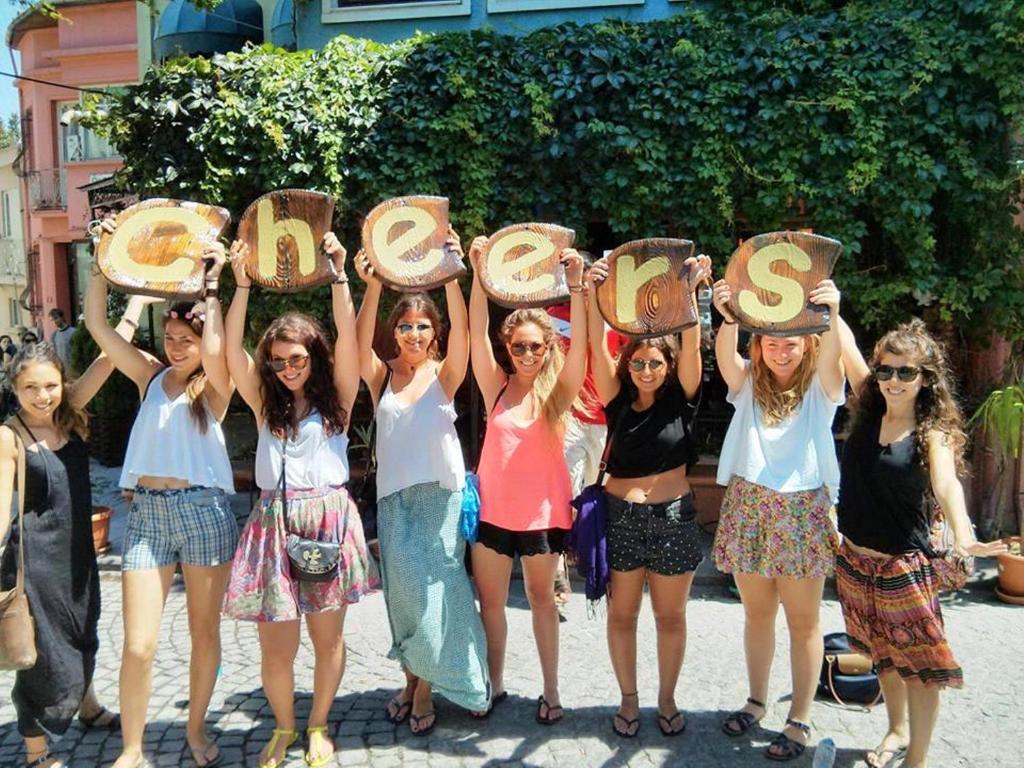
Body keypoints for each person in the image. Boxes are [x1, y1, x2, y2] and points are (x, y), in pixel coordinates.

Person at [222, 235, 377, 768]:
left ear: (313, 355)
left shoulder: (338, 398)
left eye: (297, 358)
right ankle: (284, 725)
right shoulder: (265, 403)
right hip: (273, 522)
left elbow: (351, 338)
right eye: (278, 359)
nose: (288, 367)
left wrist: (339, 277)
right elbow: (226, 352)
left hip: (328, 519)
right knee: (277, 645)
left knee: (328, 637)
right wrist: (239, 284)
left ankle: (318, 725)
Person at [84, 244, 238, 768]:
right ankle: (131, 748)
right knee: (138, 644)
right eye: (170, 339)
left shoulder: (215, 386)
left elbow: (219, 350)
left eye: (186, 341)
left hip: (203, 514)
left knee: (203, 634)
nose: (176, 348)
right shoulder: (149, 375)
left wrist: (214, 287)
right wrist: (102, 262)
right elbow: (98, 328)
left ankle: (195, 730)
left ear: (201, 342)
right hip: (147, 515)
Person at [834, 319, 1005, 768]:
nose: (894, 381)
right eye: (886, 371)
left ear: (925, 378)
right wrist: (831, 308)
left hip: (902, 571)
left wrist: (964, 534)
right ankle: (896, 729)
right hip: (855, 563)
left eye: (906, 373)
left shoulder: (933, 434)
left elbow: (947, 486)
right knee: (882, 656)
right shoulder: (868, 412)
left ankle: (917, 761)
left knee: (922, 670)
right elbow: (845, 342)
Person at [0, 295, 153, 768]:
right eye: (32, 389)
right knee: (47, 657)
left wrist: (136, 304)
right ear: (16, 389)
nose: (43, 397)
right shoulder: (10, 436)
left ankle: (86, 705)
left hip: (79, 556)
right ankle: (36, 749)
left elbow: (109, 358)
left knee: (85, 633)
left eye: (50, 386)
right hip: (38, 565)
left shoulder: (68, 415)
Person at [353, 230, 490, 736]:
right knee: (402, 595)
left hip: (440, 499)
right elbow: (358, 341)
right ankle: (413, 680)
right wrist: (370, 287)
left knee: (438, 594)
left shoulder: (444, 375)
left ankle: (427, 688)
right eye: (406, 326)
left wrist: (454, 274)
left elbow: (467, 339)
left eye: (423, 327)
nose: (414, 334)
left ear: (434, 332)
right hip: (394, 501)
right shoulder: (382, 374)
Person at [711, 277, 845, 761]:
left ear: (807, 343)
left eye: (791, 344)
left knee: (805, 622)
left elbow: (835, 362)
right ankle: (756, 699)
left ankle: (800, 718)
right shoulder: (747, 383)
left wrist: (831, 311)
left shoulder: (821, 388)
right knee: (757, 615)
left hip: (802, 510)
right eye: (772, 343)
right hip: (749, 504)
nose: (781, 353)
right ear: (760, 345)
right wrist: (726, 316)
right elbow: (726, 361)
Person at [585, 254, 711, 738]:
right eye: (637, 361)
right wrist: (594, 296)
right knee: (622, 614)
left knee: (670, 616)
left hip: (674, 518)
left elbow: (693, 347)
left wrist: (694, 294)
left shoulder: (683, 398)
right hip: (621, 518)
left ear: (667, 364)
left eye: (654, 361)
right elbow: (597, 347)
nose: (645, 369)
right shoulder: (617, 399)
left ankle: (667, 698)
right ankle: (629, 699)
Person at [467, 237, 587, 724]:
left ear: (547, 346)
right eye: (519, 346)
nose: (528, 354)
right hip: (493, 515)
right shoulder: (496, 386)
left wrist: (577, 288)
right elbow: (475, 332)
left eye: (537, 346)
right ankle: (494, 685)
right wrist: (477, 273)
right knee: (490, 605)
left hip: (541, 518)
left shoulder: (557, 392)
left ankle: (551, 691)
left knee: (541, 602)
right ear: (509, 348)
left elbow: (580, 352)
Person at [546, 293, 628, 611]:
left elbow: (625, 355)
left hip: (605, 418)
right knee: (563, 492)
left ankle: (593, 560)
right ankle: (556, 569)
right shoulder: (554, 315)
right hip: (569, 415)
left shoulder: (613, 316)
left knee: (598, 498)